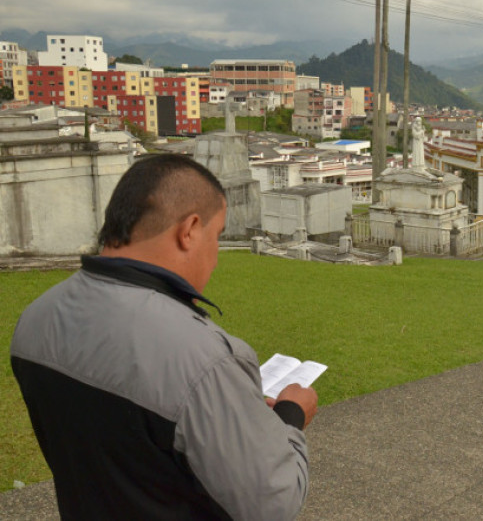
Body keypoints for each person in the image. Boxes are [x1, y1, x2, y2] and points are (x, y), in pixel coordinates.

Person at [10, 154, 318, 520]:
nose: (216, 257)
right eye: (216, 236)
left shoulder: (35, 319)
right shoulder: (204, 360)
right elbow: (273, 503)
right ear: (189, 230)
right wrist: (289, 415)